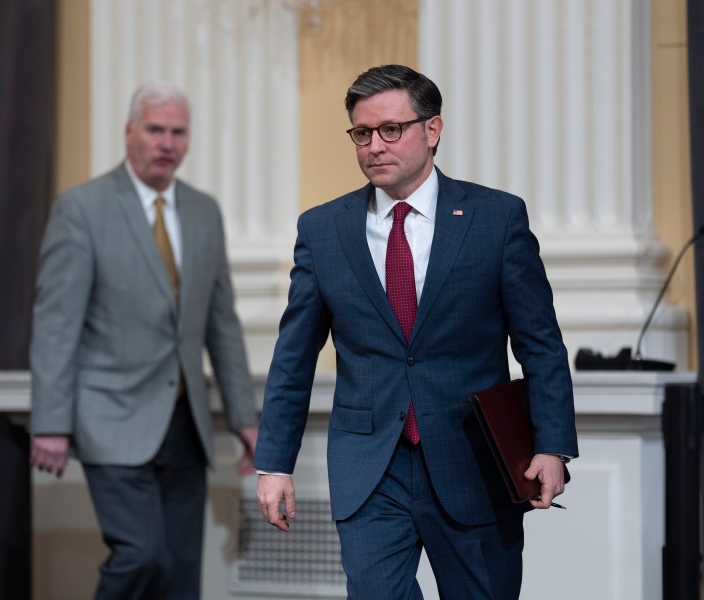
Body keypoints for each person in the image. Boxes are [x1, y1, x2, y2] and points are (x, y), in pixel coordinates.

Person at [254, 64, 578, 599]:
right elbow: (294, 356)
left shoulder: (495, 218)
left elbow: (540, 344)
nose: (374, 145)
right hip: (370, 466)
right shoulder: (322, 229)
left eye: (390, 129)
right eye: (362, 133)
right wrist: (274, 463)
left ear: (432, 130)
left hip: (473, 459)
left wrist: (553, 445)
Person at [29, 80, 258, 600]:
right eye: (155, 129)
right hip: (108, 414)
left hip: (185, 421)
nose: (166, 143)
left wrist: (246, 420)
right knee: (142, 554)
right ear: (130, 132)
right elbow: (56, 324)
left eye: (178, 132)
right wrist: (49, 421)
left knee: (179, 573)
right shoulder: (82, 208)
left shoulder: (204, 211)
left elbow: (221, 321)